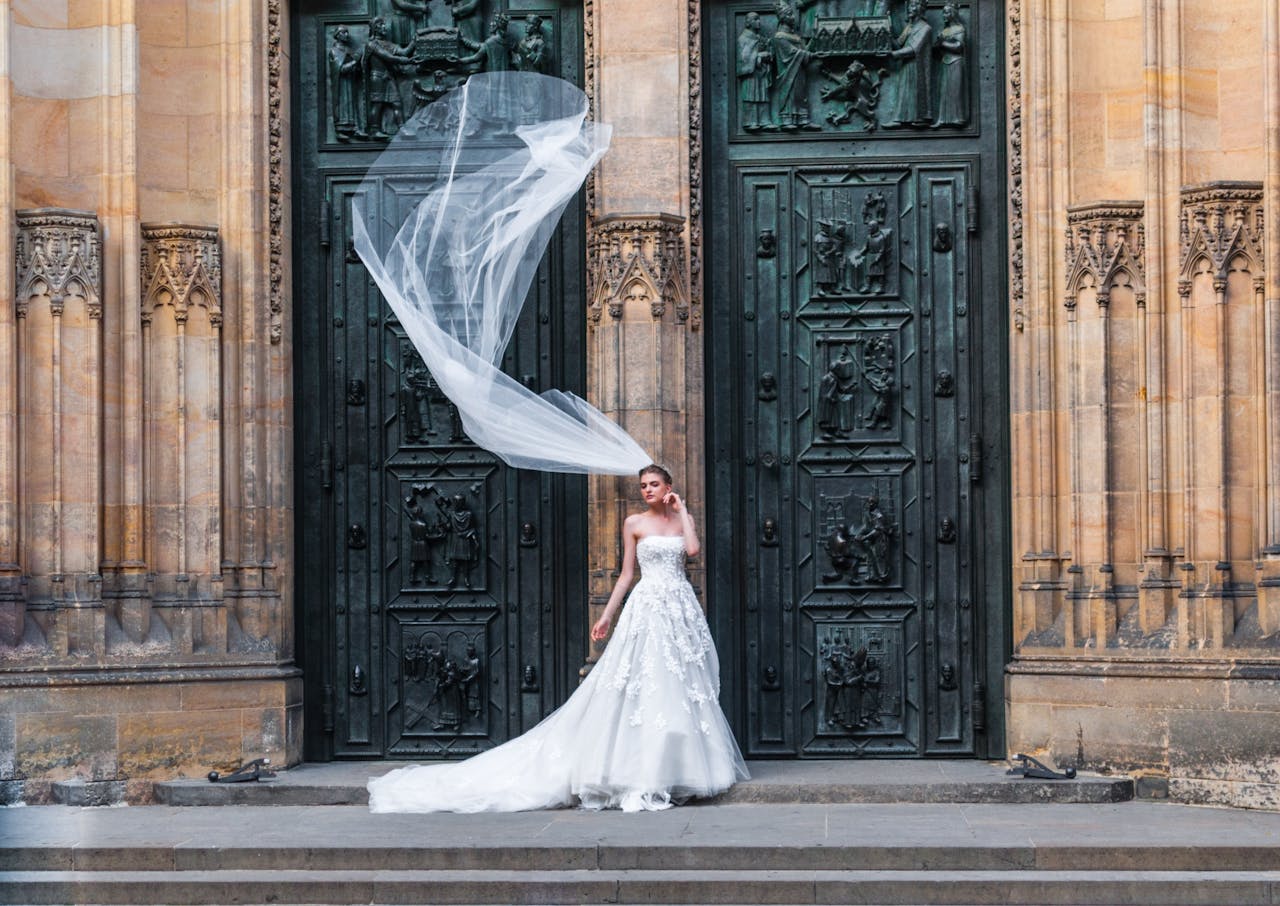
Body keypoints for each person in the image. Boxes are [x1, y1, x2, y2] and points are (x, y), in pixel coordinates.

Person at [368, 464, 749, 813]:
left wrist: (682, 510)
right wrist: (606, 615)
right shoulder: (634, 522)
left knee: (678, 682)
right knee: (641, 682)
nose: (647, 490)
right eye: (643, 486)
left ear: (668, 487)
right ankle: (636, 769)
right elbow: (626, 575)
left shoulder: (682, 520)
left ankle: (675, 768)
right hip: (648, 607)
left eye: (654, 485)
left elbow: (694, 551)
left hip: (679, 608)